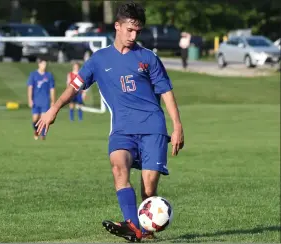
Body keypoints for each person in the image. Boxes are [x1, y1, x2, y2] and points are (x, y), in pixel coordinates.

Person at [36, 2, 184, 242]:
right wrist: (54, 108)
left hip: (152, 128)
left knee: (148, 189)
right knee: (118, 167)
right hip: (122, 129)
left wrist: (177, 126)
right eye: (129, 30)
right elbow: (74, 87)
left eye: (138, 31)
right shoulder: (98, 60)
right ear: (117, 26)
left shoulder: (148, 58)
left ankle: (143, 231)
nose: (133, 36)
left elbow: (166, 92)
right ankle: (135, 228)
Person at [27, 58, 55, 140]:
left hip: (45, 101)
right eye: (43, 64)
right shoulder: (33, 75)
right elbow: (30, 88)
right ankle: (36, 132)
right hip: (36, 101)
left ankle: (43, 135)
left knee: (44, 119)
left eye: (45, 64)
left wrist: (53, 101)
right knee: (35, 119)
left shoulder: (49, 75)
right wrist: (30, 99)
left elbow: (52, 89)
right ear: (39, 64)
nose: (44, 66)